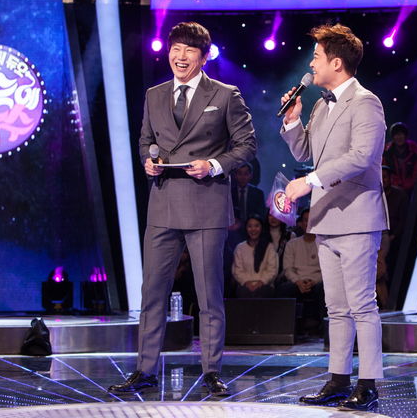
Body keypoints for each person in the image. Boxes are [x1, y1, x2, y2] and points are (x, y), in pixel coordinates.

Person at [108, 21, 256, 396]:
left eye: (189, 50)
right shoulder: (154, 95)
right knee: (152, 294)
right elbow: (146, 141)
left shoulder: (225, 94)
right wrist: (148, 161)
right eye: (176, 48)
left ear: (204, 57)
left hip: (206, 204)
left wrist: (214, 165)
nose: (181, 56)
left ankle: (211, 371)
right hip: (163, 204)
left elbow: (247, 145)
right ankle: (145, 370)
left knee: (209, 295)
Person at [279, 24, 388, 411]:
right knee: (337, 308)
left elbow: (361, 157)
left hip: (357, 216)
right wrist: (293, 120)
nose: (312, 64)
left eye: (317, 57)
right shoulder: (322, 105)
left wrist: (308, 182)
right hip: (326, 218)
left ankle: (368, 383)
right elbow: (305, 152)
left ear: (336, 63)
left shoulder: (365, 102)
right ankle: (338, 380)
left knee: (362, 305)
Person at [276, 209, 325, 333]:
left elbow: (326, 269)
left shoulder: (323, 244)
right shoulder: (292, 244)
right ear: (301, 223)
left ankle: (325, 330)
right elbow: (288, 268)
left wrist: (314, 281)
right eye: (305, 220)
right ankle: (285, 330)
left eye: (311, 220)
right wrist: (298, 282)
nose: (308, 223)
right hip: (297, 281)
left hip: (317, 282)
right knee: (283, 289)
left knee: (325, 289)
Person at [231, 215, 278, 298]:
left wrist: (261, 282)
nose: (253, 229)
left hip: (265, 285)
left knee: (262, 292)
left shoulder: (269, 247)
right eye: (250, 226)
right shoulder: (240, 248)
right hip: (245, 285)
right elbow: (237, 270)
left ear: (261, 228)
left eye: (256, 226)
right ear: (246, 228)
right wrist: (246, 282)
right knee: (244, 293)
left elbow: (272, 270)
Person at [383, 122, 417, 195]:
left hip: (411, 190)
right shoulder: (386, 152)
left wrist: (405, 186)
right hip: (392, 189)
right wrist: (396, 186)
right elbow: (385, 174)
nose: (399, 137)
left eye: (401, 134)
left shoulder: (415, 152)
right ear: (393, 137)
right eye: (396, 134)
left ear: (406, 136)